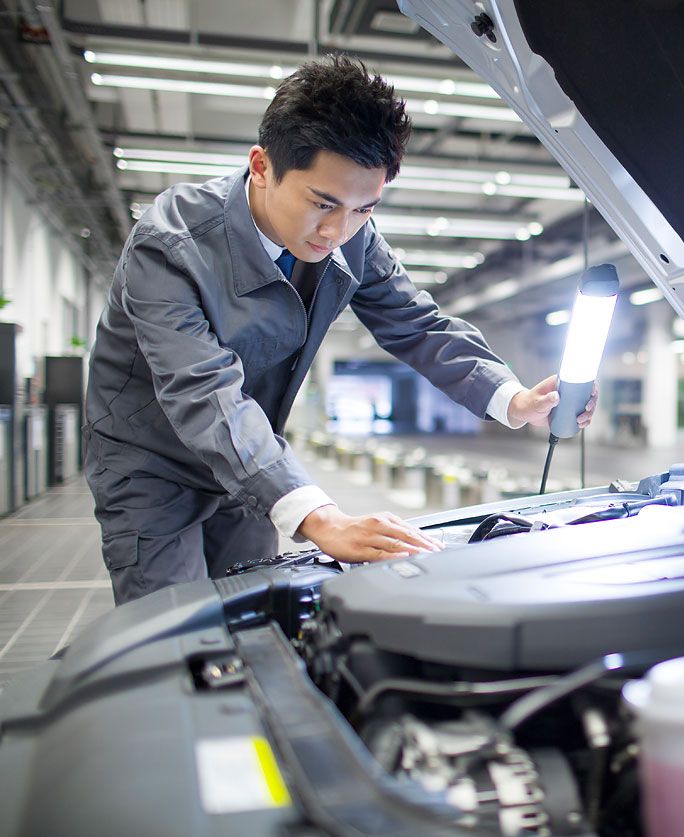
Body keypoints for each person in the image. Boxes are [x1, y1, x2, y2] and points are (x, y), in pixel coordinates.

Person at [83, 54, 596, 605]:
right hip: (153, 465)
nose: (337, 230)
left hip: (250, 456)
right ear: (261, 166)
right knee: (173, 631)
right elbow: (202, 391)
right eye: (322, 203)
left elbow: (416, 322)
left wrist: (513, 398)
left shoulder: (353, 236)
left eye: (362, 209)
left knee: (253, 608)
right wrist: (320, 517)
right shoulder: (171, 244)